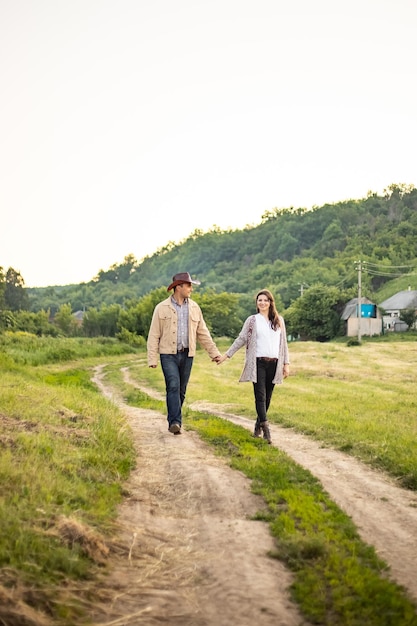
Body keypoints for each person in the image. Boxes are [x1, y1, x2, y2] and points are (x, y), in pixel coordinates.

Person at [147, 272, 221, 435]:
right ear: (178, 287)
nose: (191, 289)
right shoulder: (161, 308)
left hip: (188, 355)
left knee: (181, 390)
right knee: (173, 386)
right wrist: (152, 358)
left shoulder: (194, 308)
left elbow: (203, 333)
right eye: (188, 285)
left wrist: (214, 353)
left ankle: (174, 417)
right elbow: (154, 334)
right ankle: (175, 422)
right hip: (168, 354)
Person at [218, 289, 289, 444]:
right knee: (260, 396)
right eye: (259, 300)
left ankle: (258, 425)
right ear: (256, 303)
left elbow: (283, 344)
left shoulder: (278, 320)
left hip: (275, 363)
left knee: (268, 398)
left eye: (265, 300)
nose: (262, 303)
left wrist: (286, 364)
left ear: (271, 302)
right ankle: (266, 430)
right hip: (258, 363)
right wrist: (226, 355)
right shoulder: (252, 320)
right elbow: (241, 339)